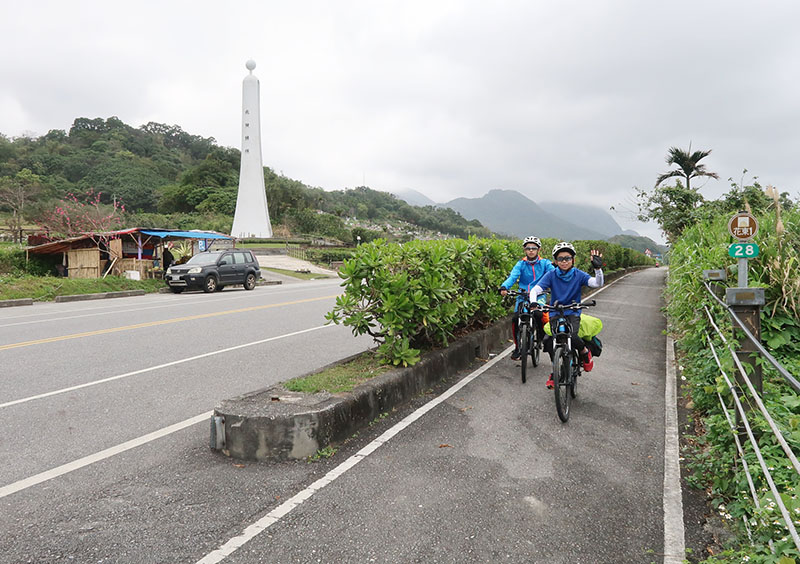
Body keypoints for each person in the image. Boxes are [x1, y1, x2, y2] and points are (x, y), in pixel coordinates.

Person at [530, 242, 604, 389]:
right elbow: (535, 290)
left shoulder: (579, 274)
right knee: (549, 342)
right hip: (555, 312)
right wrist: (534, 303)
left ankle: (584, 353)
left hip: (573, 312)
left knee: (573, 336)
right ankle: (555, 371)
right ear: (556, 261)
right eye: (561, 258)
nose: (564, 261)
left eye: (568, 258)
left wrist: (598, 269)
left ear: (573, 260)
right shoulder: (551, 275)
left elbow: (597, 283)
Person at [499, 236, 555, 360]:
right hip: (523, 295)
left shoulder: (545, 263)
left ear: (538, 250)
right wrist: (504, 286)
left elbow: (554, 274)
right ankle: (518, 347)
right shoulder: (521, 264)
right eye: (528, 248)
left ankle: (540, 338)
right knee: (515, 318)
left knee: (539, 315)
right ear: (525, 250)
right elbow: (513, 277)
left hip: (539, 295)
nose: (531, 250)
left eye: (533, 248)